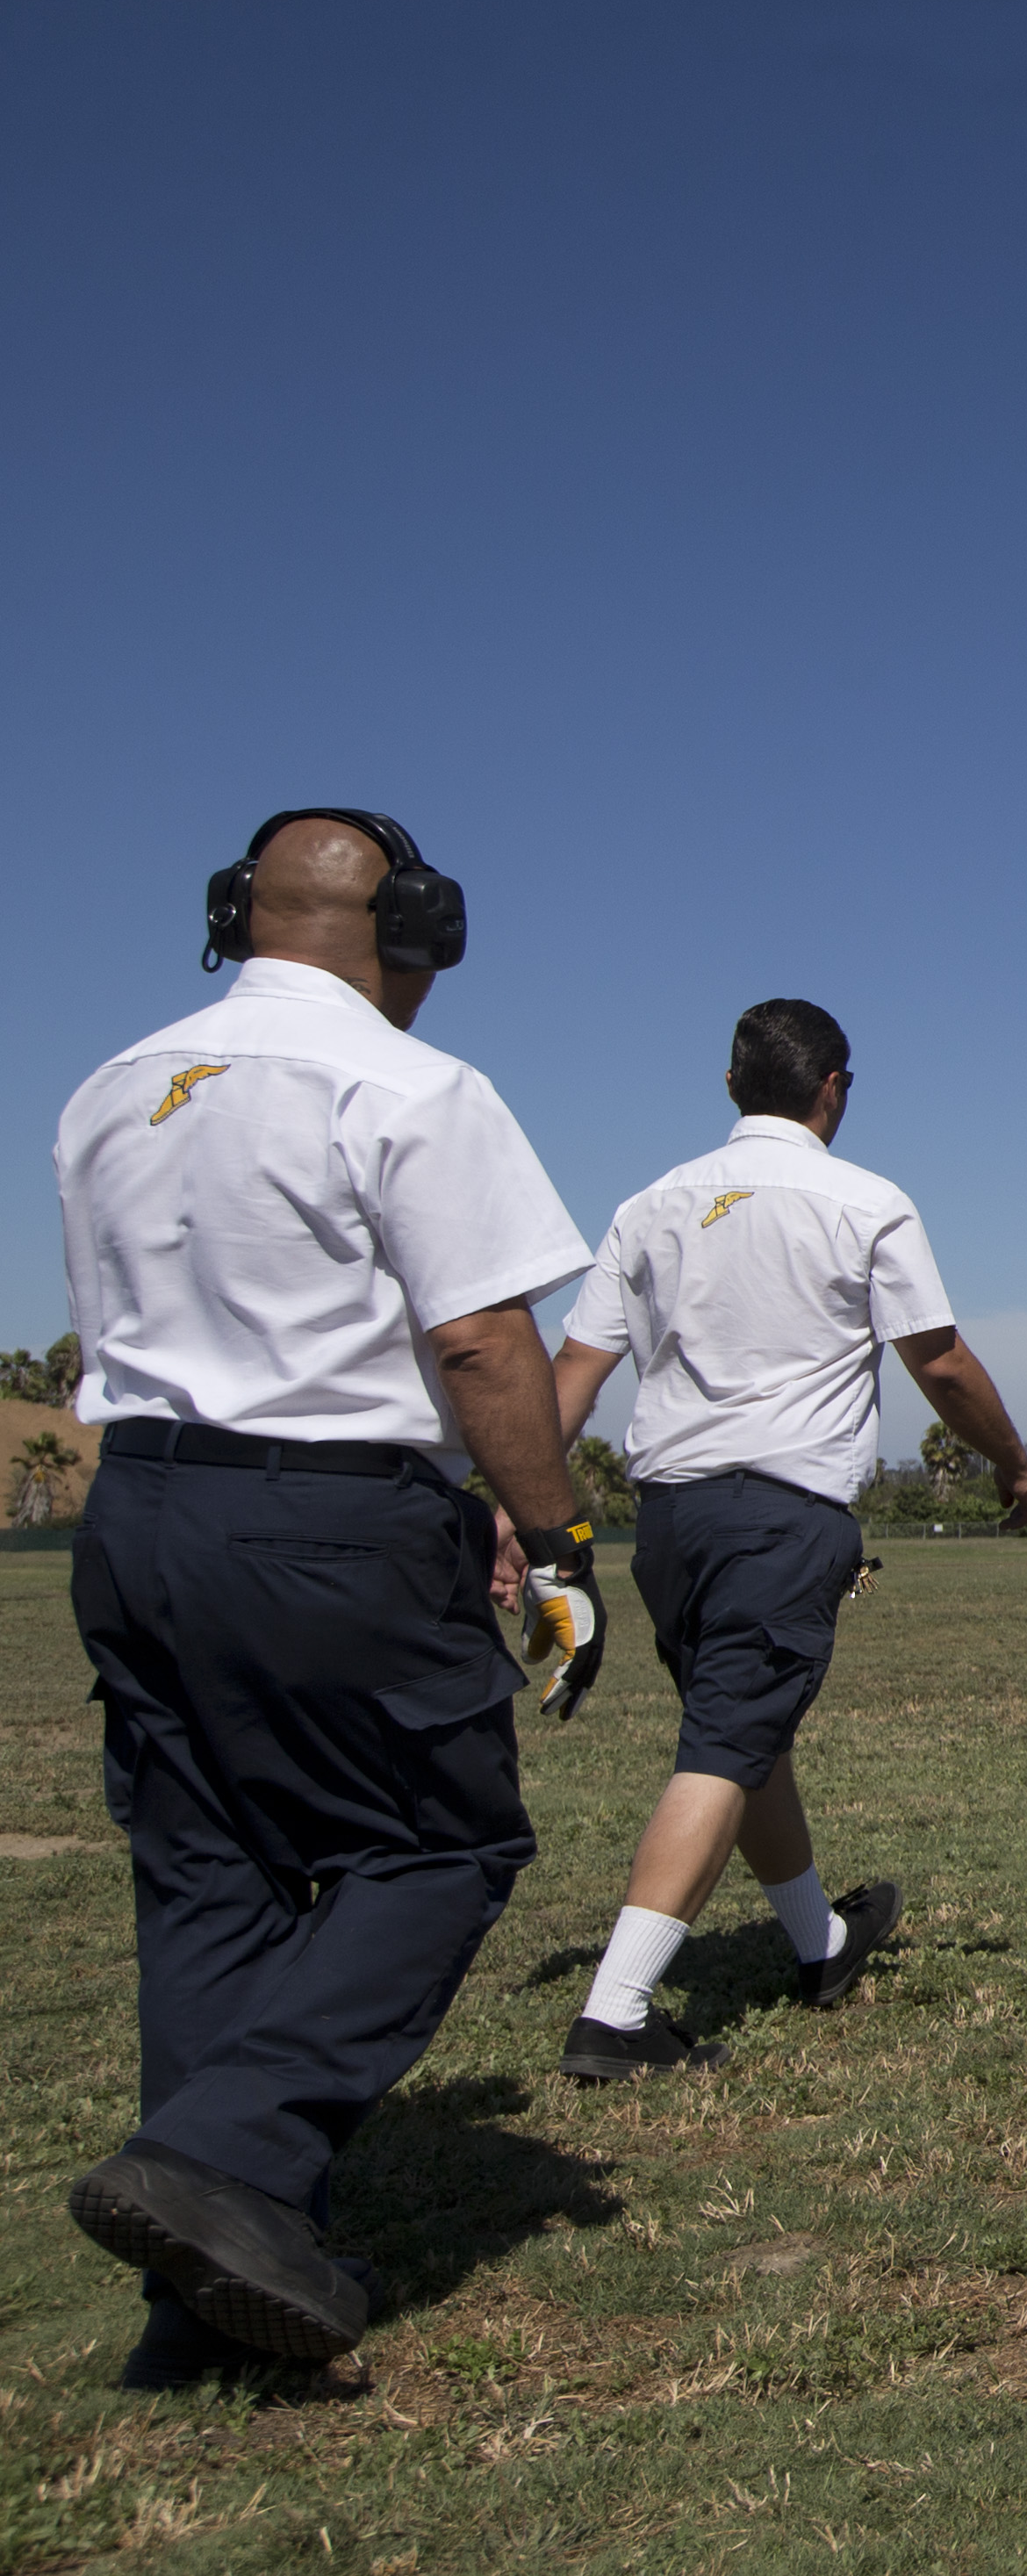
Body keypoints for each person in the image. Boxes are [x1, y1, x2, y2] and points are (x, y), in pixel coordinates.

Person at [54, 810, 596, 2386]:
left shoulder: (112, 1090)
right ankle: (221, 2160)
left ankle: (201, 2300)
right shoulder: (407, 1084)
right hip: (328, 1522)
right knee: (439, 1840)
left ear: (238, 916)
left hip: (143, 1505)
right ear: (411, 926)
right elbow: (484, 1342)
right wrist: (552, 1538)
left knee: (210, 1873)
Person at [542, 999, 1027, 2084]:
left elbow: (572, 1374)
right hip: (781, 1515)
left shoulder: (648, 1205)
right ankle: (617, 2010)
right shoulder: (864, 1201)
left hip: (668, 1523)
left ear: (730, 1087)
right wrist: (1013, 1461)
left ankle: (819, 1944)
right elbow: (940, 1361)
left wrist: (518, 1503)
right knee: (724, 1746)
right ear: (834, 1088)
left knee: (746, 1731)